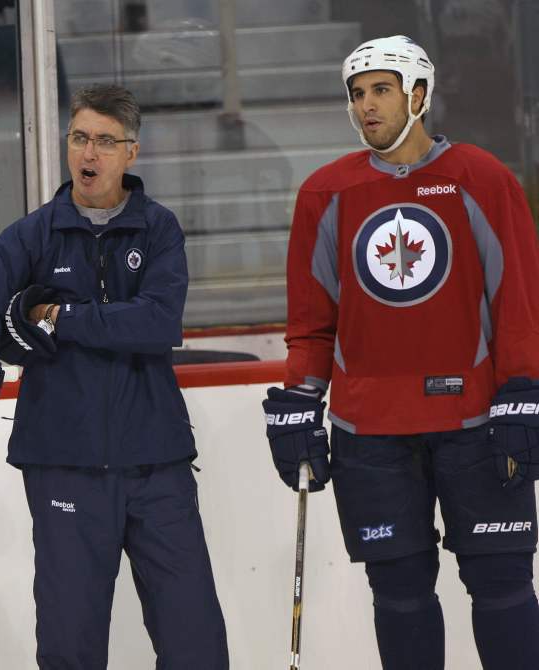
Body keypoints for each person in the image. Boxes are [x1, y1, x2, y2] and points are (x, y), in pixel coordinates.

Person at [263, 35, 539, 670]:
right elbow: (311, 325)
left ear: (419, 93)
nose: (366, 107)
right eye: (357, 94)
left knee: (503, 593)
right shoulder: (324, 194)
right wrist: (300, 400)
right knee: (400, 600)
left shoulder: (482, 178)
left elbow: (517, 299)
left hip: (474, 426)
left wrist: (522, 391)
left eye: (381, 90)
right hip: (370, 435)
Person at [0, 83, 229, 669]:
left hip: (157, 463)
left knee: (195, 645)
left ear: (131, 153)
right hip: (63, 465)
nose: (87, 154)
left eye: (103, 141)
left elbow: (156, 322)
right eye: (78, 139)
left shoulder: (160, 230)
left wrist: (58, 317)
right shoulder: (32, 234)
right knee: (71, 649)